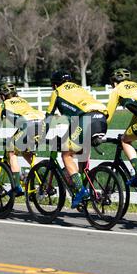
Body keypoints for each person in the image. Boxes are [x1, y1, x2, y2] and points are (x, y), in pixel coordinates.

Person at [46, 71, 108, 209]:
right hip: (102, 119)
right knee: (81, 151)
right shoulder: (79, 88)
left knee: (66, 154)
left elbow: (48, 117)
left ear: (55, 84)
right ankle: (85, 188)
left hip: (86, 120)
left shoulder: (57, 92)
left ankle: (81, 191)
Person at [0, 83, 46, 196]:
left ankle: (16, 187)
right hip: (41, 123)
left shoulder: (3, 105)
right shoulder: (23, 100)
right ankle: (45, 182)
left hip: (28, 125)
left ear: (3, 96)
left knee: (11, 150)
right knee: (27, 153)